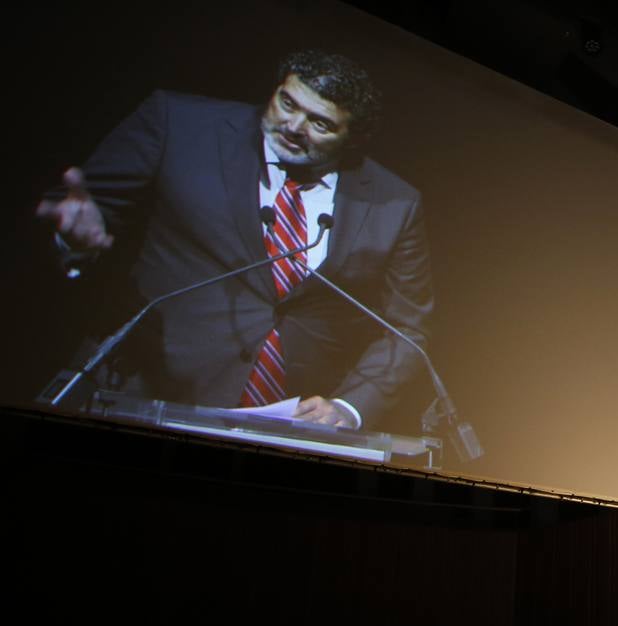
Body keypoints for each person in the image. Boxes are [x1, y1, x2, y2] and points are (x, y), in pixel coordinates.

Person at [36, 49, 433, 430]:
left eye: (321, 124)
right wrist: (74, 241)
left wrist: (351, 406)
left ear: (355, 138)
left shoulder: (394, 201)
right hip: (138, 395)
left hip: (283, 430)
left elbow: (407, 328)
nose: (294, 127)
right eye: (288, 103)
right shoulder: (180, 124)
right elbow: (81, 212)